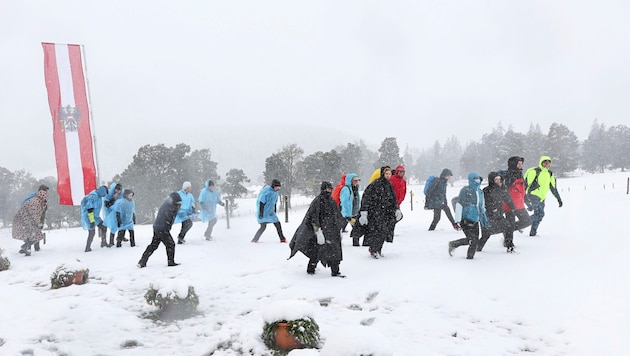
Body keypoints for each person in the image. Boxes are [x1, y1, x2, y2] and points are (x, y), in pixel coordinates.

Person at [288, 181, 346, 277]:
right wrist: (318, 231)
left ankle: (335, 271)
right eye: (328, 189)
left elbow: (337, 215)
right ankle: (311, 268)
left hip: (332, 231)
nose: (330, 191)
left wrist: (339, 229)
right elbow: (312, 217)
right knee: (317, 251)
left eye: (331, 189)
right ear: (323, 189)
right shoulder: (318, 201)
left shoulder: (331, 201)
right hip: (322, 231)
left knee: (335, 251)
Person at [358, 166, 401, 258]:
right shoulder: (375, 184)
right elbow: (366, 198)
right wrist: (364, 211)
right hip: (375, 213)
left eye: (389, 174)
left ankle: (378, 249)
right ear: (382, 174)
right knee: (375, 232)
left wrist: (396, 208)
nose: (388, 176)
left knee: (383, 232)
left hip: (386, 213)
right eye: (386, 174)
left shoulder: (389, 185)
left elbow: (393, 199)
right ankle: (373, 249)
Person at [448, 173, 489, 259]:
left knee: (475, 240)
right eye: (475, 179)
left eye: (479, 179)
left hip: (476, 219)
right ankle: (469, 259)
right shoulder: (465, 190)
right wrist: (457, 221)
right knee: (472, 240)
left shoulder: (480, 192)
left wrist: (485, 219)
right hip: (465, 219)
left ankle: (455, 244)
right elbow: (459, 205)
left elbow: (482, 207)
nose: (477, 181)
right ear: (471, 180)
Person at [137, 192, 182, 267]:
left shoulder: (168, 204)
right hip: (162, 228)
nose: (179, 205)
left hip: (158, 227)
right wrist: (167, 227)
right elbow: (168, 218)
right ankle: (171, 262)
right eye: (178, 203)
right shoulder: (169, 207)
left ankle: (142, 261)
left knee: (153, 245)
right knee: (170, 244)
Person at [524, 156, 563, 236]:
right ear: (541, 163)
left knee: (539, 215)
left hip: (542, 198)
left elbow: (553, 188)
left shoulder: (550, 174)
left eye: (548, 163)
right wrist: (525, 200)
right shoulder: (535, 171)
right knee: (539, 214)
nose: (546, 164)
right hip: (533, 195)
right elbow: (525, 185)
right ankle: (522, 224)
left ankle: (533, 233)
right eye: (545, 163)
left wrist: (558, 199)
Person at [477, 172, 516, 252]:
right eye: (496, 179)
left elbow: (507, 199)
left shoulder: (502, 189)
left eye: (499, 179)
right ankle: (477, 249)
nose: (498, 181)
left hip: (499, 215)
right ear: (492, 180)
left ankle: (510, 246)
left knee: (508, 227)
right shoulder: (486, 190)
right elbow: (485, 202)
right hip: (488, 216)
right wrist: (493, 208)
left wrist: (513, 206)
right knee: (486, 234)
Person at [501, 156, 532, 251]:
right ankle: (509, 245)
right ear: (513, 164)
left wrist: (528, 203)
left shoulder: (520, 174)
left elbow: (522, 191)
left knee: (527, 221)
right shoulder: (508, 175)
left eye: (521, 163)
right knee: (510, 225)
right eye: (518, 163)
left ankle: (507, 231)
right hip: (509, 206)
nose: (521, 165)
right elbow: (503, 191)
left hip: (520, 205)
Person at [12, 185, 48, 256]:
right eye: (46, 194)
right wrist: (38, 223)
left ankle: (26, 248)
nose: (46, 196)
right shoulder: (36, 202)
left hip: (24, 219)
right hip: (25, 219)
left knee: (31, 235)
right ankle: (26, 247)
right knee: (37, 235)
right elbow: (35, 213)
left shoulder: (36, 200)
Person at [81, 185, 109, 252]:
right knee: (92, 232)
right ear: (102, 192)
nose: (104, 195)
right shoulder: (92, 196)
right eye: (105, 194)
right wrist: (91, 221)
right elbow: (89, 209)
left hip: (95, 216)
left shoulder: (98, 196)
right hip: (89, 217)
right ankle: (87, 248)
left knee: (104, 227)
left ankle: (103, 242)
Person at [103, 182, 123, 247]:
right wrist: (113, 199)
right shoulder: (109, 194)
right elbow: (107, 205)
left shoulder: (121, 195)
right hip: (110, 212)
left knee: (121, 225)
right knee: (113, 226)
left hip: (118, 212)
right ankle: (111, 242)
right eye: (116, 189)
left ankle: (120, 237)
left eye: (119, 190)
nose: (117, 191)